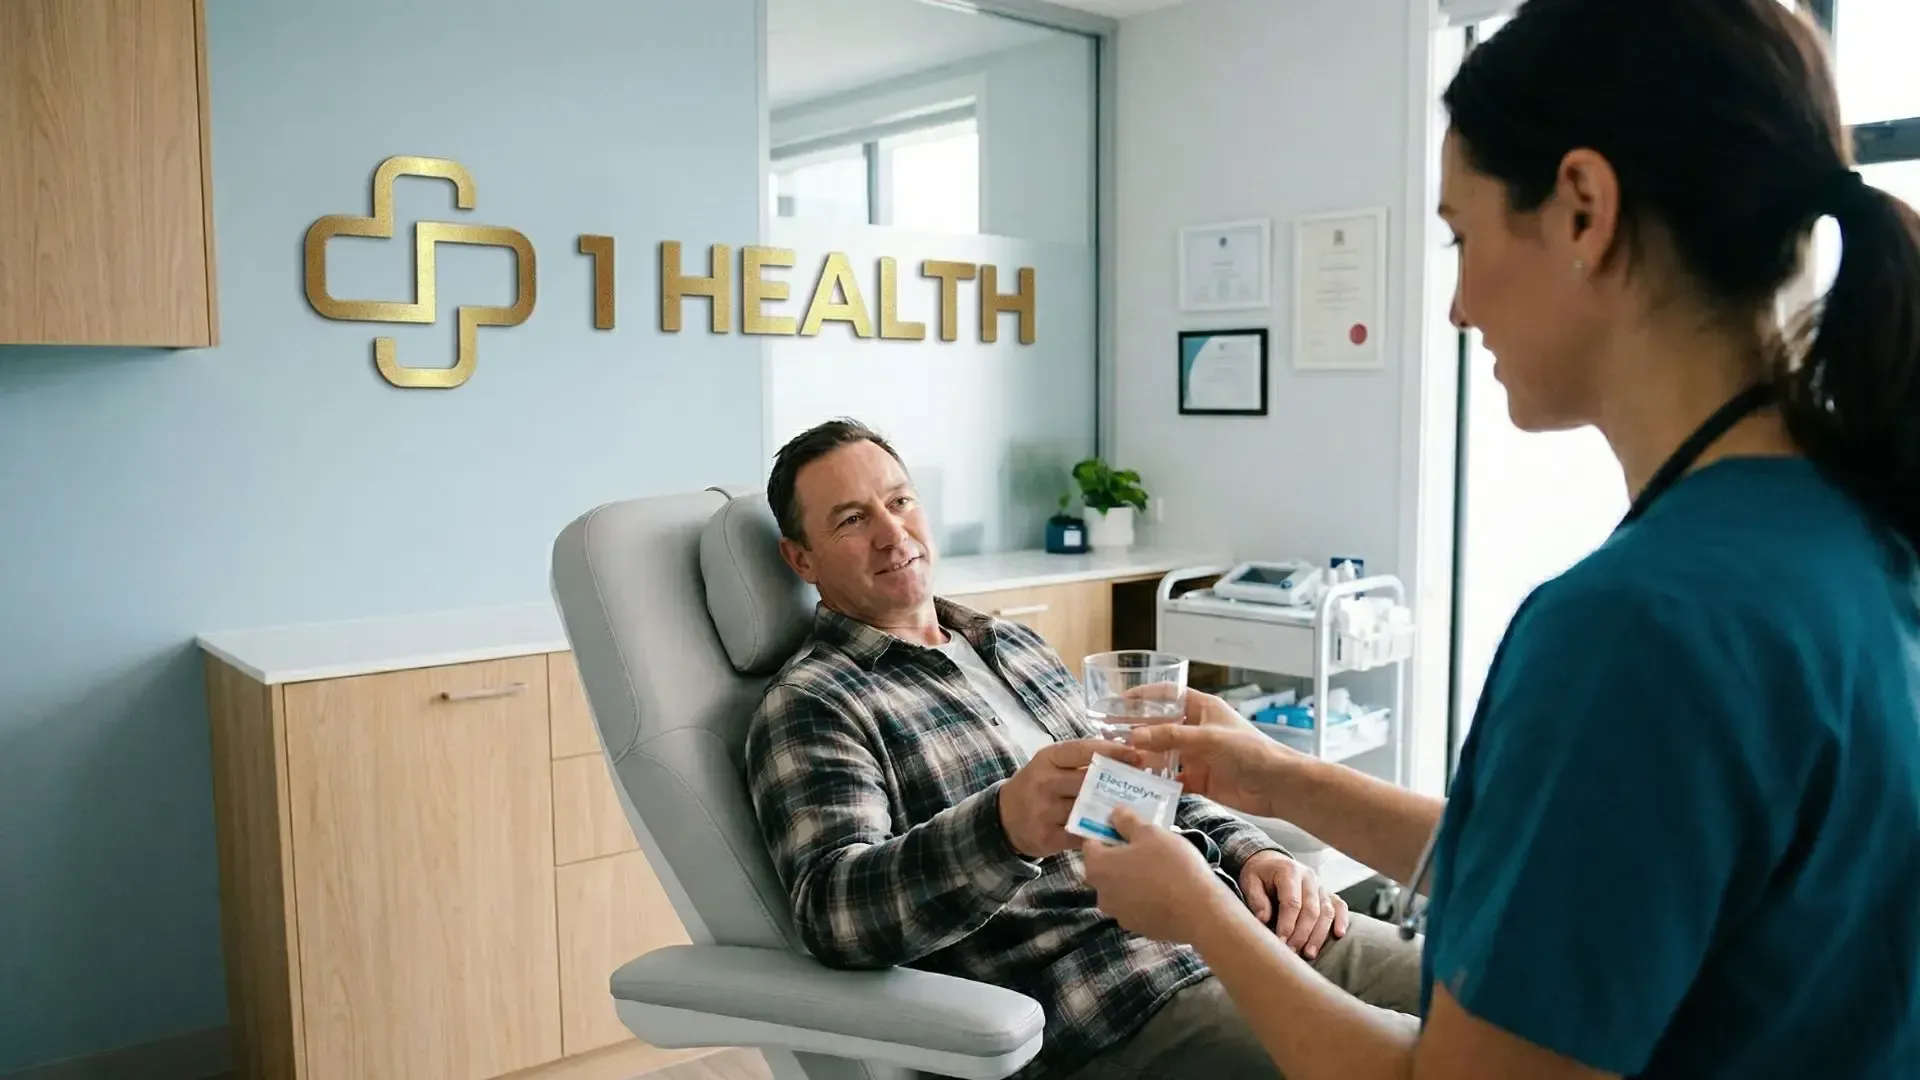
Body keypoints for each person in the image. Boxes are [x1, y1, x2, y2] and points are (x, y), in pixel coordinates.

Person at [1077, 2, 1920, 1078]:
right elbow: (1590, 875)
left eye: (1461, 238)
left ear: (1583, 210)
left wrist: (1199, 910)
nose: (1458, 308)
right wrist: (1277, 776)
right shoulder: (1859, 533)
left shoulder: (1637, 627)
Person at [742, 418, 1426, 1080]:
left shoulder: (1012, 644)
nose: (893, 534)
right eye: (852, 520)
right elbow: (834, 913)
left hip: (1233, 920)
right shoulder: (814, 704)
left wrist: (1256, 853)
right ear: (801, 558)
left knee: (1470, 993)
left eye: (899, 502)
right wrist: (1004, 827)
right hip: (1115, 1000)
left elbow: (1143, 787)